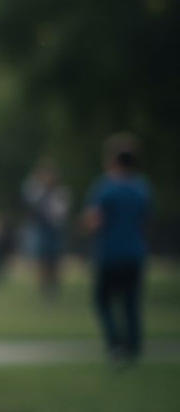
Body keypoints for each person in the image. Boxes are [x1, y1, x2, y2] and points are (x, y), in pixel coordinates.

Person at [83, 134, 151, 365]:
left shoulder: (105, 187)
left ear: (113, 160)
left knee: (102, 300)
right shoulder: (142, 187)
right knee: (131, 301)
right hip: (135, 251)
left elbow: (94, 221)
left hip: (110, 253)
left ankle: (115, 343)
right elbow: (145, 219)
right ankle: (134, 346)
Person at [21, 157, 70, 296]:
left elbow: (61, 213)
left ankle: (53, 287)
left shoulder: (60, 192)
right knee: (41, 260)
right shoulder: (36, 191)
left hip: (55, 229)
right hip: (41, 229)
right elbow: (29, 200)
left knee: (54, 261)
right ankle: (44, 290)